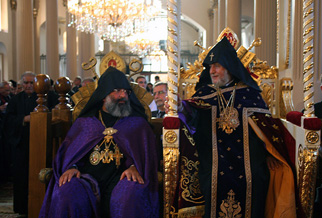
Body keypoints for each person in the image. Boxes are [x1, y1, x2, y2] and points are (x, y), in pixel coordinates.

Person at [168, 37, 297, 217]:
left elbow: (267, 129)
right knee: (210, 179)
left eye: (217, 66)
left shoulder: (249, 94)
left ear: (229, 67)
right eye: (210, 67)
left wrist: (269, 153)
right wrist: (180, 108)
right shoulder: (205, 93)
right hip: (212, 157)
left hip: (249, 158)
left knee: (258, 177)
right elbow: (192, 113)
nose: (212, 71)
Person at [40, 67, 159, 218]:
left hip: (121, 179)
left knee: (131, 193)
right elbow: (70, 152)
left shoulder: (137, 124)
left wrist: (135, 166)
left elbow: (146, 155)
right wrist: (72, 166)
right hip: (86, 179)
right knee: (67, 191)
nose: (123, 95)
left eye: (126, 91)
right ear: (103, 95)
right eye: (117, 91)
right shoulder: (85, 123)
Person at [4, 71, 58, 216]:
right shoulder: (16, 100)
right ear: (21, 84)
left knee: (42, 176)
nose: (29, 86)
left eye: (31, 83)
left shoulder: (49, 97)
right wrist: (24, 119)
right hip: (21, 144)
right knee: (21, 178)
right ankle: (22, 209)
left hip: (43, 144)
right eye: (26, 83)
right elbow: (8, 120)